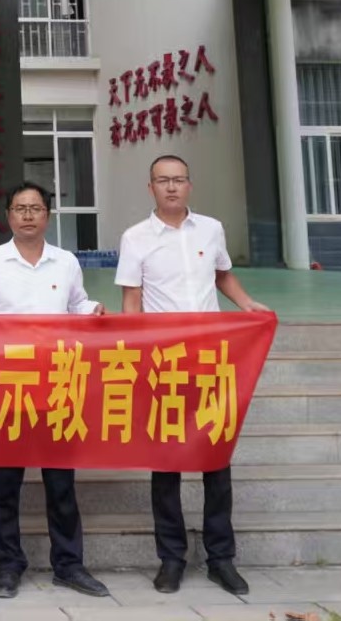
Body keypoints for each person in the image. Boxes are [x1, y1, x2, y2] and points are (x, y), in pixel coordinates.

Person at [117, 154, 271, 597]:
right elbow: (132, 302)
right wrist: (136, 358)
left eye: (179, 179)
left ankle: (222, 559)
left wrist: (247, 304)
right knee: (166, 464)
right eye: (162, 180)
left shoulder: (211, 229)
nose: (171, 187)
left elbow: (223, 276)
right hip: (163, 363)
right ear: (150, 187)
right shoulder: (135, 237)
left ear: (189, 184)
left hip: (211, 359)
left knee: (215, 461)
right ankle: (171, 558)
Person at [0, 181, 110, 601]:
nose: (27, 215)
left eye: (35, 208)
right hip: (8, 386)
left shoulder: (65, 262)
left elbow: (77, 305)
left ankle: (69, 565)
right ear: (8, 215)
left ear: (47, 216)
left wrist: (92, 310)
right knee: (6, 484)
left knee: (61, 483)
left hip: (57, 384)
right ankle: (8, 567)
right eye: (19, 208)